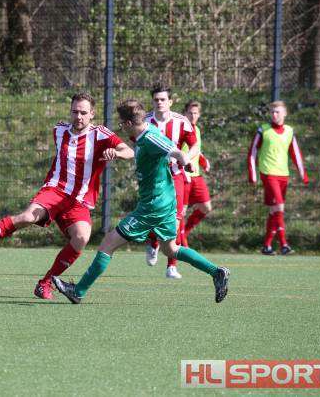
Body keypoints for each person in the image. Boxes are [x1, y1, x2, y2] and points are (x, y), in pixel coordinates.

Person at [0, 92, 134, 299]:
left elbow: (129, 151)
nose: (78, 116)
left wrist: (116, 153)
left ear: (92, 114)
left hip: (78, 201)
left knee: (82, 237)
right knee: (27, 217)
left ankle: (45, 283)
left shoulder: (101, 134)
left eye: (83, 112)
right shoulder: (59, 130)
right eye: (75, 112)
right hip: (54, 190)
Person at [51, 99, 230, 304]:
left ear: (129, 123)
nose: (121, 127)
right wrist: (117, 153)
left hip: (153, 206)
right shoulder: (145, 132)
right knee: (170, 249)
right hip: (164, 202)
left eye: (121, 123)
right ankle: (216, 272)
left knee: (108, 243)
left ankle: (78, 291)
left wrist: (185, 160)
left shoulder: (150, 137)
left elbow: (174, 150)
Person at [143, 84, 199, 279]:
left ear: (170, 102)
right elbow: (137, 145)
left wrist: (187, 158)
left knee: (175, 221)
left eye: (163, 99)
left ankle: (172, 266)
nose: (159, 102)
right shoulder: (145, 122)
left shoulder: (181, 122)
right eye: (156, 99)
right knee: (153, 216)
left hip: (175, 175)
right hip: (153, 178)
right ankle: (153, 242)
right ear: (152, 101)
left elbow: (194, 145)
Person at [247, 100, 308, 255]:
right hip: (268, 173)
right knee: (279, 207)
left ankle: (267, 246)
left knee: (274, 210)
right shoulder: (263, 130)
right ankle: (284, 244)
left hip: (283, 175)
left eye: (277, 112)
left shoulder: (289, 131)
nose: (274, 115)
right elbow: (252, 152)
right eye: (272, 112)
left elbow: (295, 153)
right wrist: (253, 174)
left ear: (285, 113)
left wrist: (303, 174)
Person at [180, 100, 212, 246]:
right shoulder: (180, 128)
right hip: (183, 175)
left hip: (196, 176)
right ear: (184, 114)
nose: (192, 116)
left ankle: (184, 233)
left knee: (206, 207)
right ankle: (182, 244)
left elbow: (195, 149)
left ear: (199, 115)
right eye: (190, 113)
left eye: (195, 113)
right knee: (181, 212)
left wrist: (203, 161)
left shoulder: (197, 129)